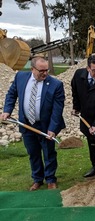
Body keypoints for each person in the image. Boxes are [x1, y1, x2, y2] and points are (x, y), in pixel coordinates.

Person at [1, 57, 65, 191]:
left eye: (46, 70)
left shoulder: (56, 85)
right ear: (32, 69)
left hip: (46, 125)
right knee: (33, 153)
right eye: (41, 70)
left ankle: (50, 179)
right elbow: (11, 94)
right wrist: (7, 110)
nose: (45, 73)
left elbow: (57, 109)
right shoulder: (20, 77)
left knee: (49, 153)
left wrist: (52, 128)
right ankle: (37, 179)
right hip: (26, 124)